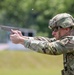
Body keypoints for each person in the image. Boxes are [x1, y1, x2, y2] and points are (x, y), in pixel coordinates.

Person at [10, 13, 74, 75]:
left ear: (66, 28)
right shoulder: (66, 40)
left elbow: (51, 48)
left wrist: (22, 41)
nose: (53, 33)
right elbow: (48, 41)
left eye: (56, 29)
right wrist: (23, 38)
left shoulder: (72, 41)